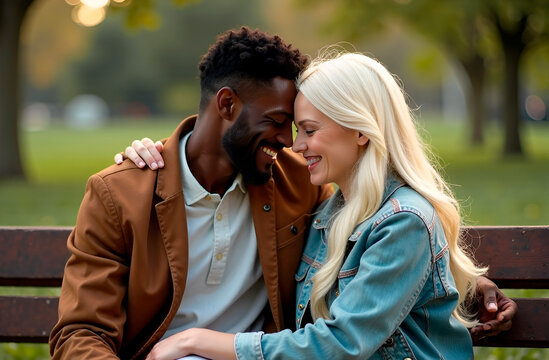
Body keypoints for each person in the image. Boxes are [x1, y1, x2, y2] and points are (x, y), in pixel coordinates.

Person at [123, 52, 515, 359]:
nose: (295, 146)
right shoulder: (330, 211)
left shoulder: (405, 220)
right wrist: (161, 156)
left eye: (309, 131)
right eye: (297, 130)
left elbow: (343, 343)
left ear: (361, 130)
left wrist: (203, 341)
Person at [49, 27, 333, 359]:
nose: (288, 140)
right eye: (277, 121)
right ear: (227, 104)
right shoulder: (118, 195)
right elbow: (82, 333)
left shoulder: (300, 183)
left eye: (294, 126)